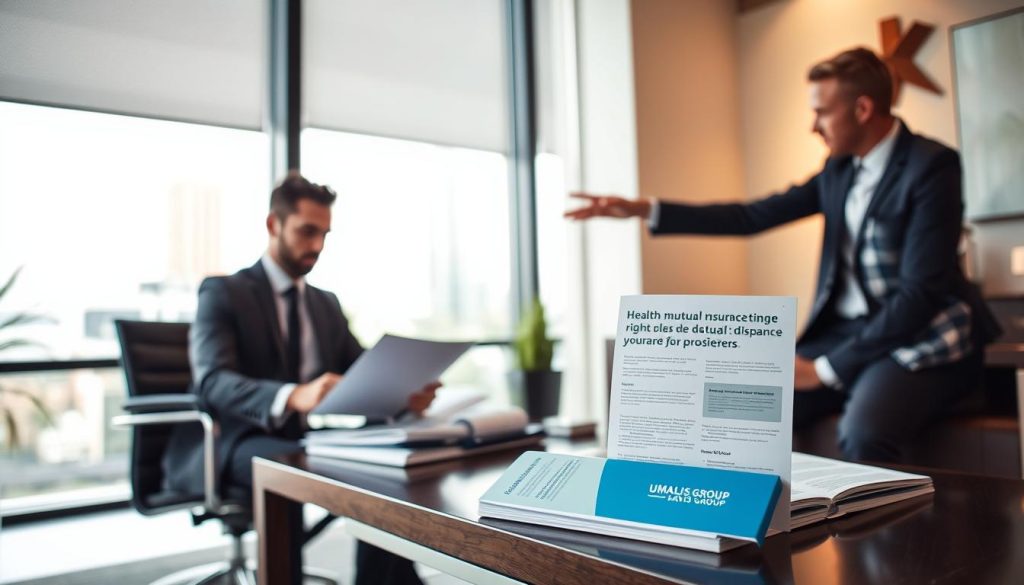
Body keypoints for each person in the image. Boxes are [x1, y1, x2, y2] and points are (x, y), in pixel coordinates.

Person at [565, 47, 1001, 463]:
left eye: (821, 111)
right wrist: (645, 209)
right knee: (742, 408)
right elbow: (751, 216)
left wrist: (826, 369)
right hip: (849, 331)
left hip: (921, 332)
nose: (814, 125)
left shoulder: (932, 166)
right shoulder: (838, 170)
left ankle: (884, 541)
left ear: (862, 109)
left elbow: (920, 294)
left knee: (864, 432)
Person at [165, 171, 436, 584]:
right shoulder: (224, 293)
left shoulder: (324, 305)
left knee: (383, 464)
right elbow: (212, 382)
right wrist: (293, 395)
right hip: (234, 438)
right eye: (307, 231)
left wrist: (402, 391)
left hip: (302, 439)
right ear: (274, 224)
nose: (317, 246)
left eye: (325, 234)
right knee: (288, 469)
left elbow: (363, 373)